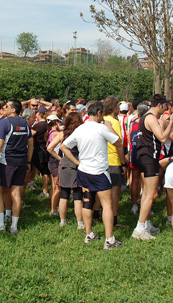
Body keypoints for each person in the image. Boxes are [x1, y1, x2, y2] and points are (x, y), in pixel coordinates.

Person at [60, 101, 128, 250]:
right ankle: (109, 240)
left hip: (84, 171)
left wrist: (77, 162)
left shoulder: (80, 129)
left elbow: (64, 147)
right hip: (99, 172)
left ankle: (89, 234)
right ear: (98, 113)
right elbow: (118, 142)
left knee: (87, 202)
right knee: (107, 204)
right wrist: (110, 128)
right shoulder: (101, 128)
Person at [132, 94, 173, 241]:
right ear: (160, 105)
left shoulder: (146, 117)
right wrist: (171, 123)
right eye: (165, 106)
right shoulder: (151, 118)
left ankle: (146, 224)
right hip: (149, 157)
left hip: (145, 156)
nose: (166, 109)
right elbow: (163, 138)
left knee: (146, 194)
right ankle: (139, 229)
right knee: (150, 194)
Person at [0, 99, 33, 234]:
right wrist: (28, 162)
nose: (4, 107)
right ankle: (14, 226)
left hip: (6, 162)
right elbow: (30, 144)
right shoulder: (25, 123)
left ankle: (0, 225)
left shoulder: (5, 122)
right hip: (21, 162)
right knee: (16, 194)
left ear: (13, 110)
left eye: (7, 106)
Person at [47, 112, 84, 229]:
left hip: (64, 165)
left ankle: (62, 221)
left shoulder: (62, 134)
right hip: (78, 164)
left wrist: (60, 159)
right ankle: (80, 223)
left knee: (64, 194)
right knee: (78, 196)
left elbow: (49, 148)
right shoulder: (81, 134)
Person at [102, 96, 124, 227]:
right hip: (114, 160)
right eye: (118, 106)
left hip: (103, 159)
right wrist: (123, 162)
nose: (119, 109)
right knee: (115, 192)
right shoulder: (114, 122)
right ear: (113, 107)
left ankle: (98, 214)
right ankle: (114, 219)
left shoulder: (102, 120)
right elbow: (119, 144)